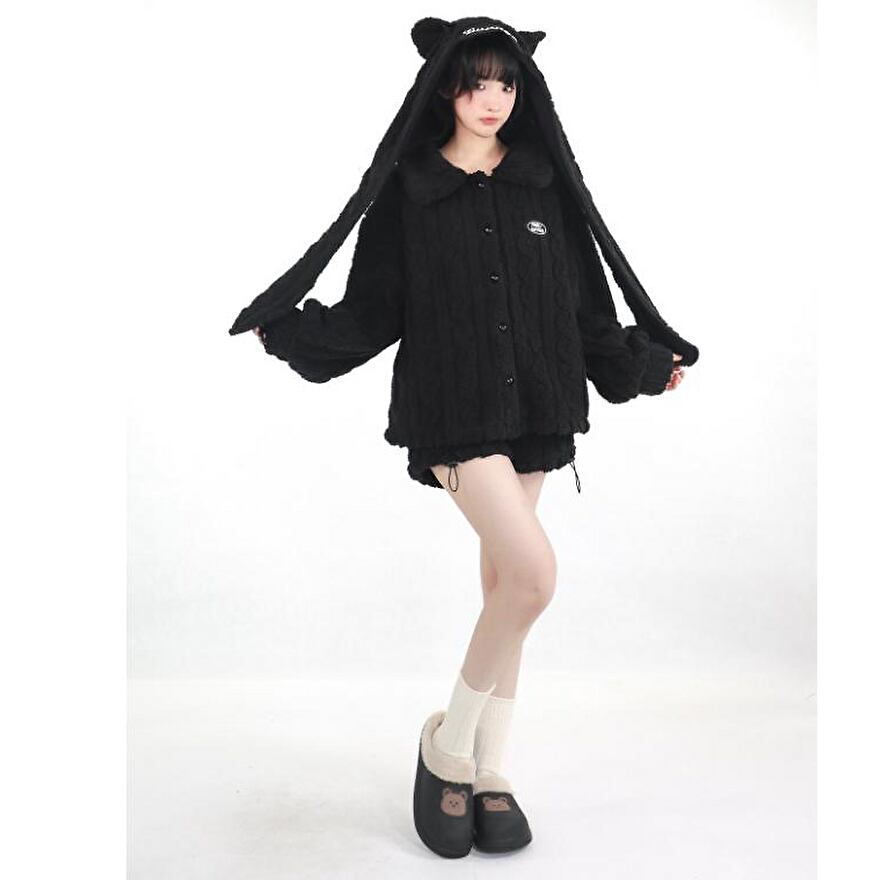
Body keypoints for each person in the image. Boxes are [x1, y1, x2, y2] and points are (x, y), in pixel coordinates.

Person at [235, 16, 696, 859]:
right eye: (477, 81)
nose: (493, 98)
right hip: (452, 412)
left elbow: (585, 308)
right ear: (445, 87)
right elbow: (373, 309)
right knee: (534, 576)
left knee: (504, 587)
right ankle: (445, 747)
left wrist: (640, 364)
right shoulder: (411, 191)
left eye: (507, 82)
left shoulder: (542, 183)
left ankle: (491, 771)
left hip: (539, 408)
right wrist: (295, 334)